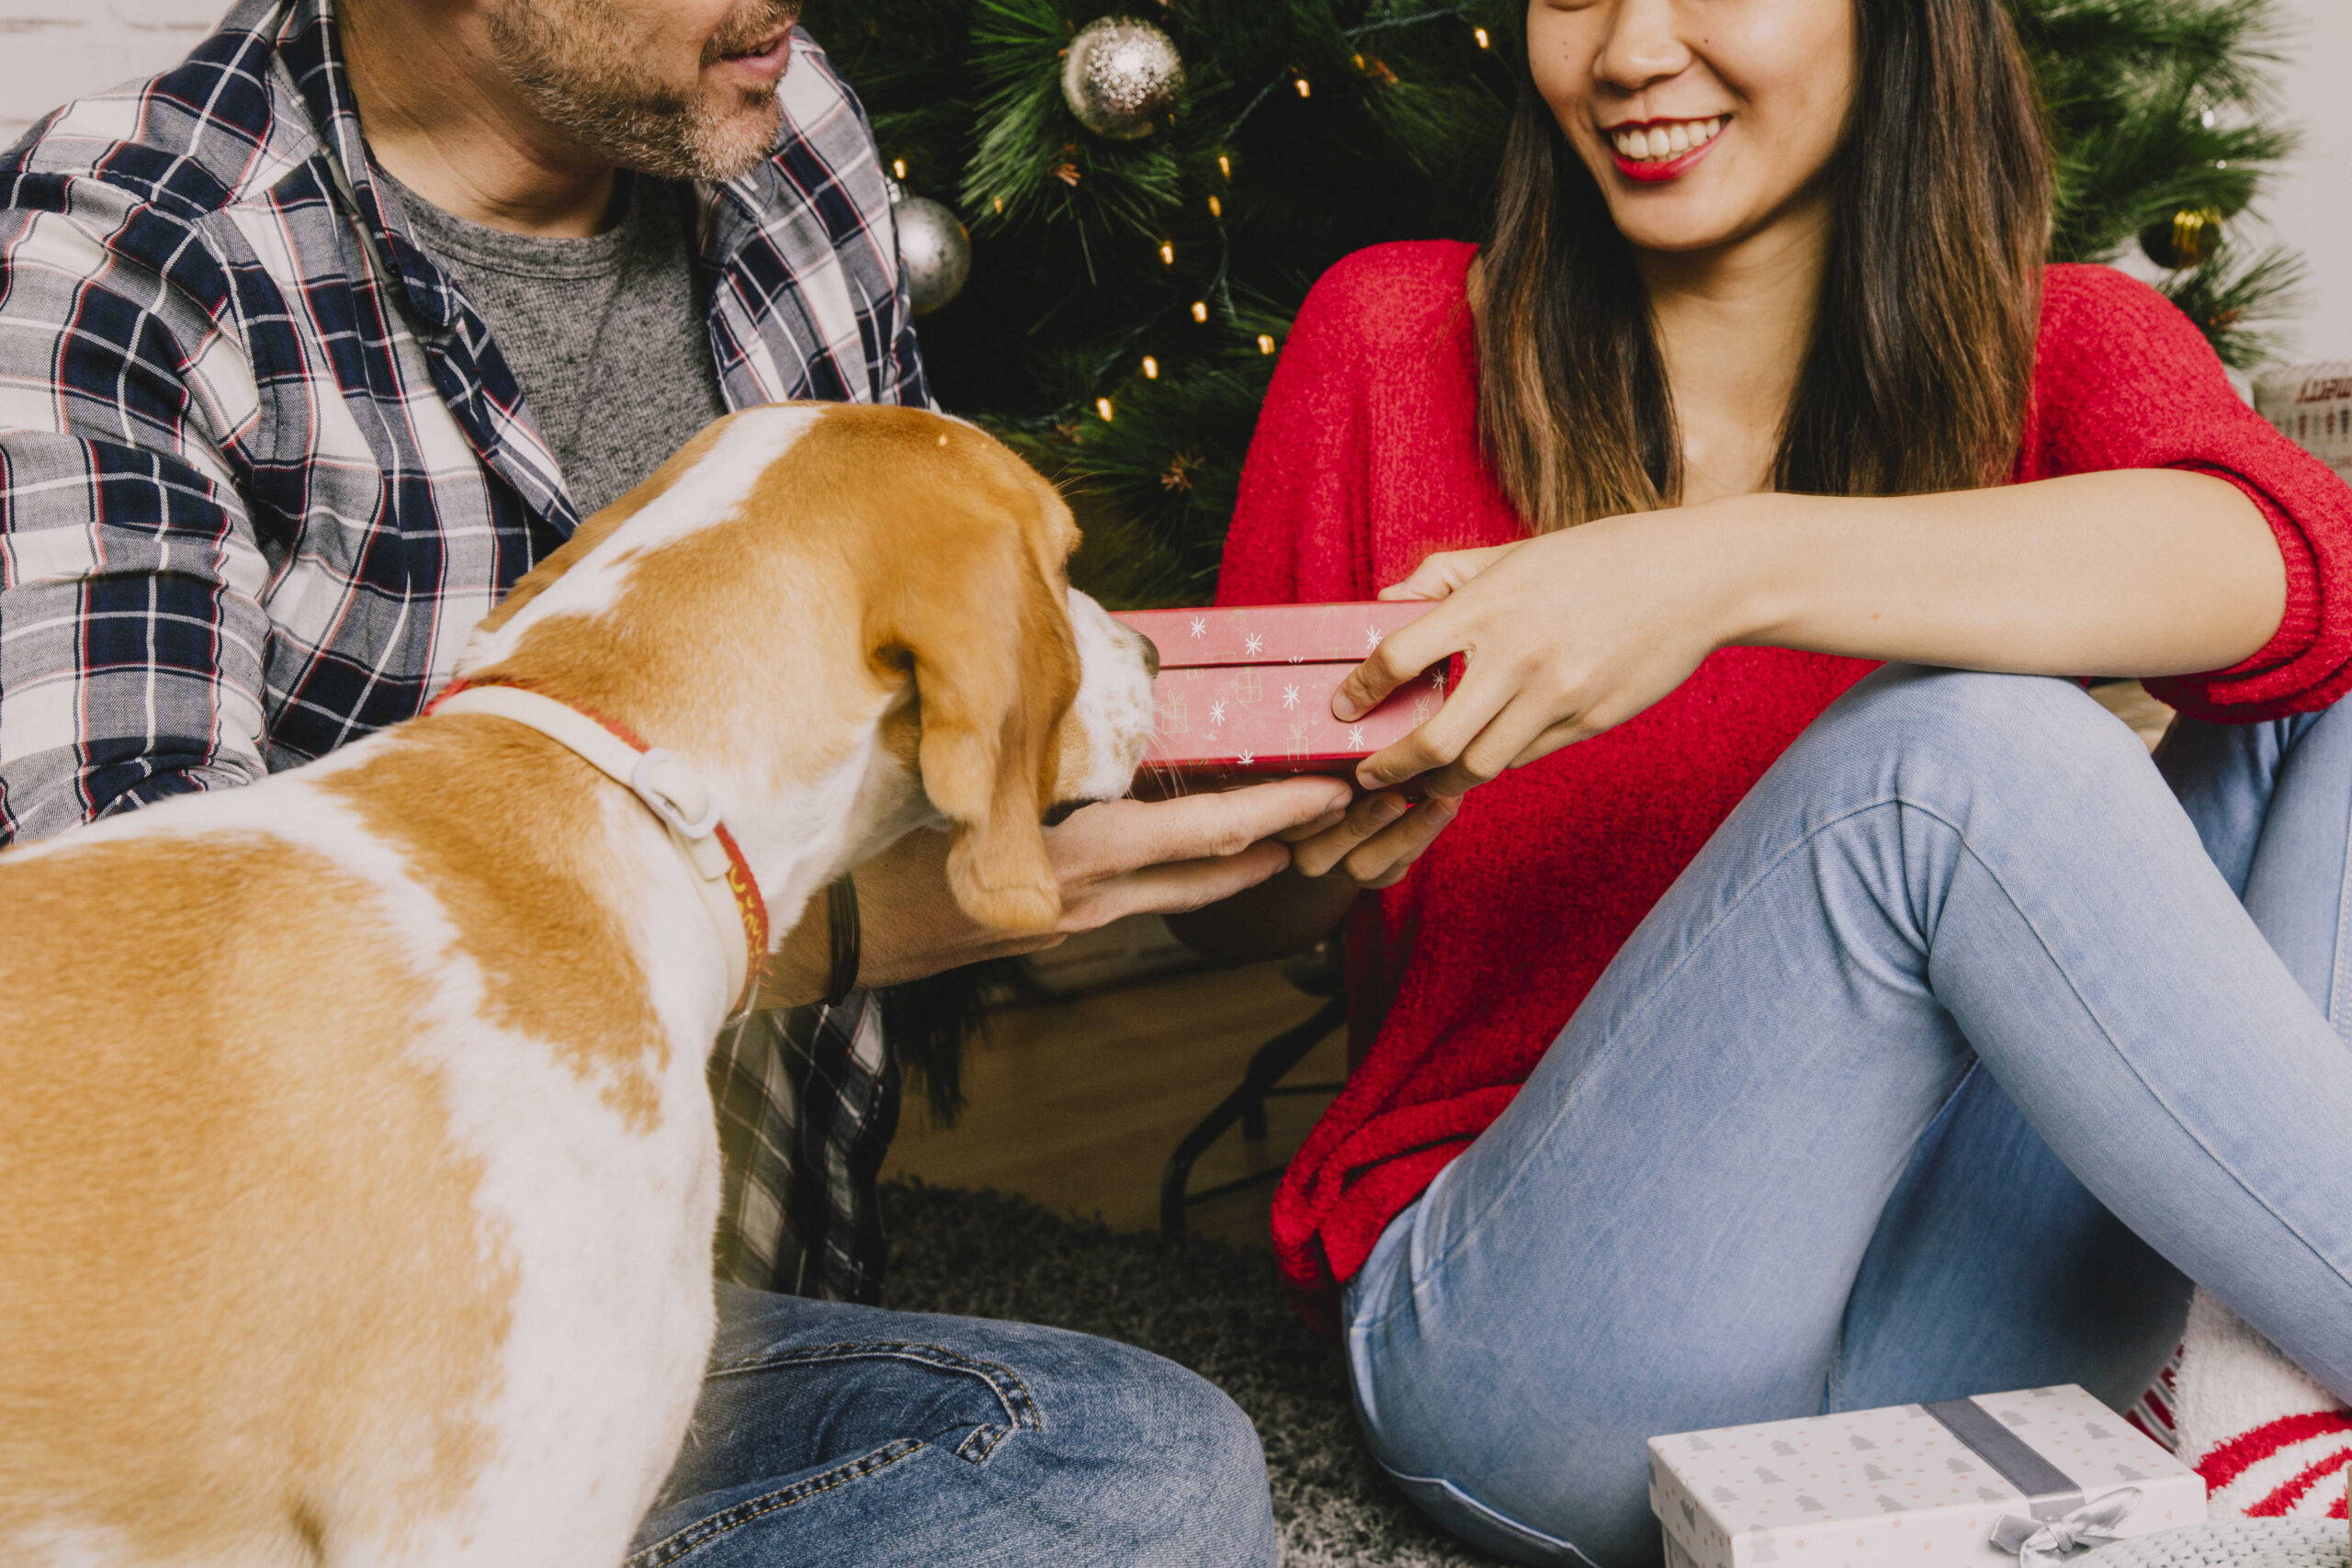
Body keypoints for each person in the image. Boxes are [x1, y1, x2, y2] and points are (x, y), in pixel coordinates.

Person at [0, 0, 1340, 1561]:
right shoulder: (115, 255)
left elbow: (896, 650)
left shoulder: (762, 99)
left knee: (1128, 1469)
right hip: (267, 1328)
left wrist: (1044, 752)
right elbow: (128, 999)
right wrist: (796, 922)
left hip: (680, 1264)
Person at [1169, 0, 2352, 1563]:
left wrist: (1716, 567)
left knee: (2310, 690)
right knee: (1956, 766)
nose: (1631, 51)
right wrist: (1328, 832)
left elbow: (2295, 576)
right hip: (1552, 1344)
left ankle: (2239, 1382)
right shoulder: (1394, 338)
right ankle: (2275, 1407)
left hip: (1963, 1316)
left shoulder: (2062, 340)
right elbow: (1230, 915)